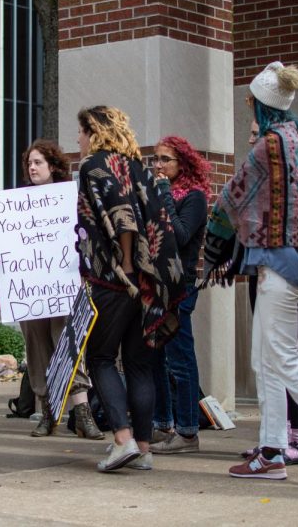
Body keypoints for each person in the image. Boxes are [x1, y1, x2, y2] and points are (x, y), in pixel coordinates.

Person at [205, 62, 298, 485]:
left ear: (262, 104)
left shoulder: (268, 146)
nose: (248, 107)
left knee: (286, 362)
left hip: (277, 264)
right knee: (266, 361)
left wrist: (210, 250)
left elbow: (230, 199)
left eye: (251, 101)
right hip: (296, 262)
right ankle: (271, 452)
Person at [75, 106, 184, 472]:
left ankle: (121, 440)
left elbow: (123, 216)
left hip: (114, 279)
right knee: (139, 365)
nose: (78, 139)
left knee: (101, 357)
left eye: (81, 131)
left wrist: (124, 263)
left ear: (94, 131)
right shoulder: (138, 167)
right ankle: (143, 448)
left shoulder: (95, 166)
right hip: (150, 283)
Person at [18, 139, 103, 440]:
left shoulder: (70, 199)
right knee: (38, 347)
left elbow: (86, 237)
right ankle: (49, 413)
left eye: (38, 162)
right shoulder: (17, 203)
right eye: (29, 162)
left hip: (64, 285)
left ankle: (82, 413)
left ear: (53, 166)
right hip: (29, 289)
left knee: (68, 344)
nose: (32, 167)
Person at [243, 167, 298, 466]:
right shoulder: (263, 174)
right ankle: (273, 445)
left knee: (286, 360)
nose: (254, 140)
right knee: (266, 361)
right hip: (265, 269)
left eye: (258, 134)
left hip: (288, 272)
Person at [148, 136, 210, 455]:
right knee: (155, 356)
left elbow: (182, 236)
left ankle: (187, 432)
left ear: (182, 163)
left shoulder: (194, 198)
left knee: (181, 360)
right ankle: (162, 424)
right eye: (155, 159)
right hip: (155, 286)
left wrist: (164, 197)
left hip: (180, 287)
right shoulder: (159, 194)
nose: (158, 165)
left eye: (165, 159)